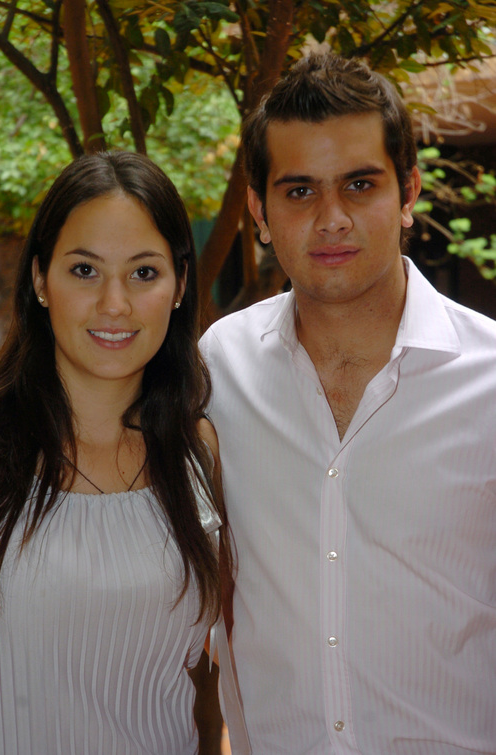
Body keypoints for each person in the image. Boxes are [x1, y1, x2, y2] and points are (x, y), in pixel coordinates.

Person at [200, 52, 496, 754]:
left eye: (360, 185)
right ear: (259, 211)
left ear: (408, 192)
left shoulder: (489, 378)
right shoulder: (216, 369)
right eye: (299, 191)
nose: (331, 219)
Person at [0, 151, 231, 755]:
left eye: (144, 272)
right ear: (40, 279)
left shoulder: (199, 453)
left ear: (179, 286)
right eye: (84, 270)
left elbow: (209, 676)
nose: (115, 304)